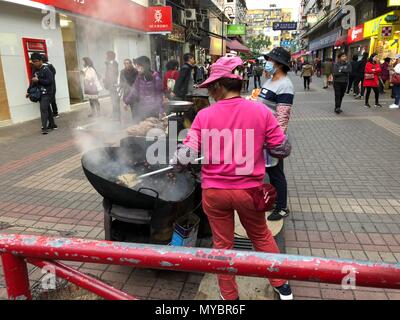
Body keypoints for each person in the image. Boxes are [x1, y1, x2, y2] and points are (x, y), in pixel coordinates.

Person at [172, 56, 293, 301]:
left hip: (215, 193)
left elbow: (185, 155)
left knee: (222, 245)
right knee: (260, 236)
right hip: (249, 191)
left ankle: (230, 297)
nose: (209, 92)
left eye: (210, 87)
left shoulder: (205, 116)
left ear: (220, 86)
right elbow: (282, 149)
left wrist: (177, 163)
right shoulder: (259, 111)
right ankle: (282, 287)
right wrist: (263, 142)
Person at [258, 47, 294, 221]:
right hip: (262, 134)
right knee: (269, 171)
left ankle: (281, 207)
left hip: (272, 136)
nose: (268, 62)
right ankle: (273, 201)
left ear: (279, 64)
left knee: (276, 172)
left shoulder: (285, 85)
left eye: (271, 60)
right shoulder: (271, 80)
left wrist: (276, 140)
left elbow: (283, 116)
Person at [26, 52, 57, 135]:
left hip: (47, 93)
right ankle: (53, 125)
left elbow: (50, 81)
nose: (35, 63)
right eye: (33, 61)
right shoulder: (34, 70)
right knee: (47, 109)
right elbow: (32, 81)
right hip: (39, 93)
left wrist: (39, 80)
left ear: (40, 61)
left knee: (43, 109)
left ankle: (44, 127)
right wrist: (28, 91)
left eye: (36, 61)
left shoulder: (46, 69)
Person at [124, 56, 163, 120]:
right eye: (136, 67)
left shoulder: (155, 77)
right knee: (143, 127)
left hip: (153, 109)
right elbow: (134, 91)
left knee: (152, 127)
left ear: (145, 66)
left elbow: (159, 95)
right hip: (142, 109)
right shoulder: (139, 77)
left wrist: (161, 111)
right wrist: (126, 102)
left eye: (138, 67)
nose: (137, 69)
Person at [104, 51, 120, 121]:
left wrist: (112, 83)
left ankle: (117, 116)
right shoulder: (109, 64)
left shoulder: (114, 64)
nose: (106, 57)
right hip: (111, 85)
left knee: (115, 100)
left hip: (113, 85)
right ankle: (115, 114)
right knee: (113, 100)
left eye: (107, 55)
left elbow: (114, 75)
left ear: (110, 56)